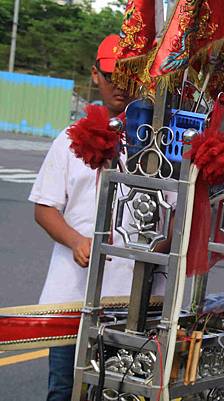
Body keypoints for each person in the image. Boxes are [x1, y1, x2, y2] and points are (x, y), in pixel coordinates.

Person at [29, 35, 138, 401]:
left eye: (129, 75)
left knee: (118, 392)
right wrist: (76, 241)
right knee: (64, 389)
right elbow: (44, 208)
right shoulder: (69, 139)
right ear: (96, 75)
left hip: (131, 300)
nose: (120, 85)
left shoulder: (151, 145)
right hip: (71, 295)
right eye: (111, 75)